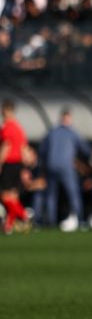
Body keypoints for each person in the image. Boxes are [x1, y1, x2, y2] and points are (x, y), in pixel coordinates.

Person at [39, 109, 91, 232]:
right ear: (68, 118)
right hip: (66, 166)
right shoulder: (72, 132)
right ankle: (79, 220)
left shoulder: (52, 132)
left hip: (51, 166)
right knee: (73, 193)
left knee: (51, 194)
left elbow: (42, 150)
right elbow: (86, 149)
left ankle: (51, 222)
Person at [1, 100, 31, 234]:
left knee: (5, 196)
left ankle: (24, 215)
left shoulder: (7, 127)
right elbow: (24, 148)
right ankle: (9, 225)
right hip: (18, 165)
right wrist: (25, 166)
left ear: (7, 111)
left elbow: (6, 146)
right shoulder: (19, 128)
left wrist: (0, 162)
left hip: (9, 164)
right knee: (13, 197)